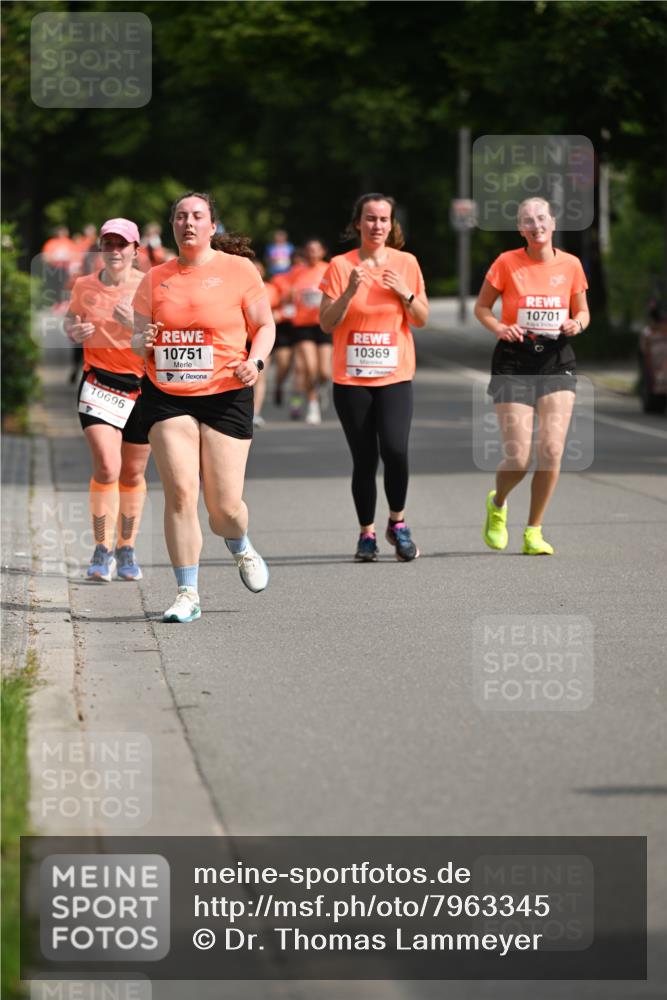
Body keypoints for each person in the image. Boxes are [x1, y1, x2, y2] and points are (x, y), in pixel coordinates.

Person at [132, 191, 275, 623]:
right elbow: (137, 342)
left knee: (224, 508)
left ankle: (239, 544)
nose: (188, 223)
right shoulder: (154, 278)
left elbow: (264, 325)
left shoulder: (238, 270)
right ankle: (187, 593)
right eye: (180, 216)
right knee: (180, 493)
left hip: (226, 393)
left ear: (213, 226)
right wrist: (144, 341)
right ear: (172, 226)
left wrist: (255, 362)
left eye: (197, 216)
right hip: (167, 394)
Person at [474, 196, 590, 555]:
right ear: (520, 229)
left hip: (556, 359)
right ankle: (498, 503)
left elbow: (583, 312)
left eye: (541, 218)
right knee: (519, 457)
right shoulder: (507, 262)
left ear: (553, 222)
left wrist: (577, 324)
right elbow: (482, 308)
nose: (536, 225)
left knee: (552, 449)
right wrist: (499, 327)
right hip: (514, 361)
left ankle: (533, 530)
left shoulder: (571, 264)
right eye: (528, 220)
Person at [319, 193, 428, 562]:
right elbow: (326, 322)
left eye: (383, 219)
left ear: (391, 224)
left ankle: (397, 522)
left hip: (395, 376)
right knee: (364, 459)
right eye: (370, 218)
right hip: (352, 380)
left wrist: (405, 292)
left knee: (395, 450)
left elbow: (421, 318)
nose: (377, 225)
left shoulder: (406, 263)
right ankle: (366, 534)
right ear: (358, 224)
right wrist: (350, 291)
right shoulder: (340, 266)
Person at [64, 218, 150, 582]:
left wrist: (135, 325)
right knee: (107, 466)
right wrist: (74, 330)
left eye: (122, 244)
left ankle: (126, 547)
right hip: (98, 383)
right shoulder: (84, 285)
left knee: (132, 473)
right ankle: (102, 548)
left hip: (141, 387)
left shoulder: (149, 285)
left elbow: (161, 337)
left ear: (135, 250)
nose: (114, 250)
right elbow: (71, 321)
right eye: (108, 243)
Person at [289, 238, 330, 425]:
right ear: (306, 252)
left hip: (323, 323)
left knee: (324, 371)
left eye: (316, 249)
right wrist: (291, 295)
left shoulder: (328, 269)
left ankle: (322, 387)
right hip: (302, 325)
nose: (313, 253)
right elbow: (286, 295)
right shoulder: (297, 271)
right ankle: (313, 406)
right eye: (310, 250)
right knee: (310, 368)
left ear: (322, 252)